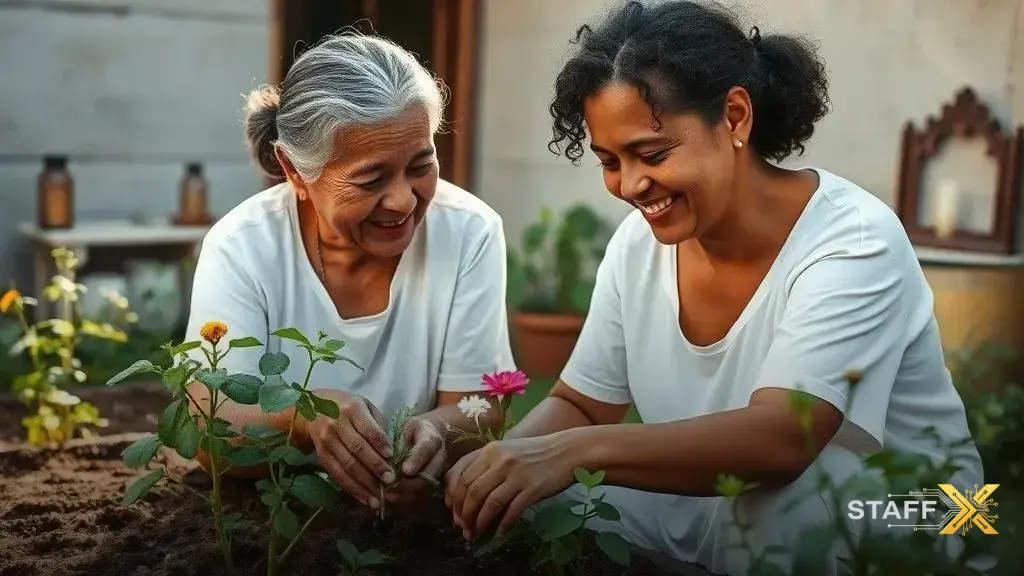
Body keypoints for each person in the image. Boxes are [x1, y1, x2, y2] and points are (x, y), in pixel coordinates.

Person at [442, 1, 985, 574]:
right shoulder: (637, 246)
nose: (629, 185)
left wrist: (572, 452)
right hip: (740, 501)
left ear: (734, 116)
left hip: (931, 510)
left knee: (778, 507)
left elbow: (784, 439)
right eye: (608, 160)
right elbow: (580, 403)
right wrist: (504, 468)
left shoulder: (852, 239)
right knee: (550, 504)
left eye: (651, 154)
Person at [182, 32, 515, 511]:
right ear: (295, 171)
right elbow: (210, 429)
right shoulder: (243, 247)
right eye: (371, 178)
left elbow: (479, 404)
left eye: (422, 165)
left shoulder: (468, 233)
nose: (403, 200)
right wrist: (303, 416)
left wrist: (439, 432)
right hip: (275, 521)